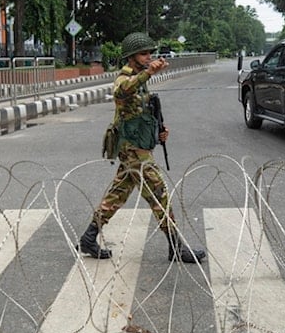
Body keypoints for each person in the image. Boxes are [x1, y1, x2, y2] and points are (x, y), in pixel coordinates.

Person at [78, 32, 206, 264]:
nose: (149, 57)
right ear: (131, 57)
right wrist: (149, 73)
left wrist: (159, 130)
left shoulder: (141, 80)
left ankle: (89, 237)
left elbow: (140, 112)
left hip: (137, 148)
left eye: (150, 53)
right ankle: (176, 247)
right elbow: (121, 91)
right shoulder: (126, 77)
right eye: (144, 53)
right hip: (133, 151)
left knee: (117, 194)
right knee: (159, 194)